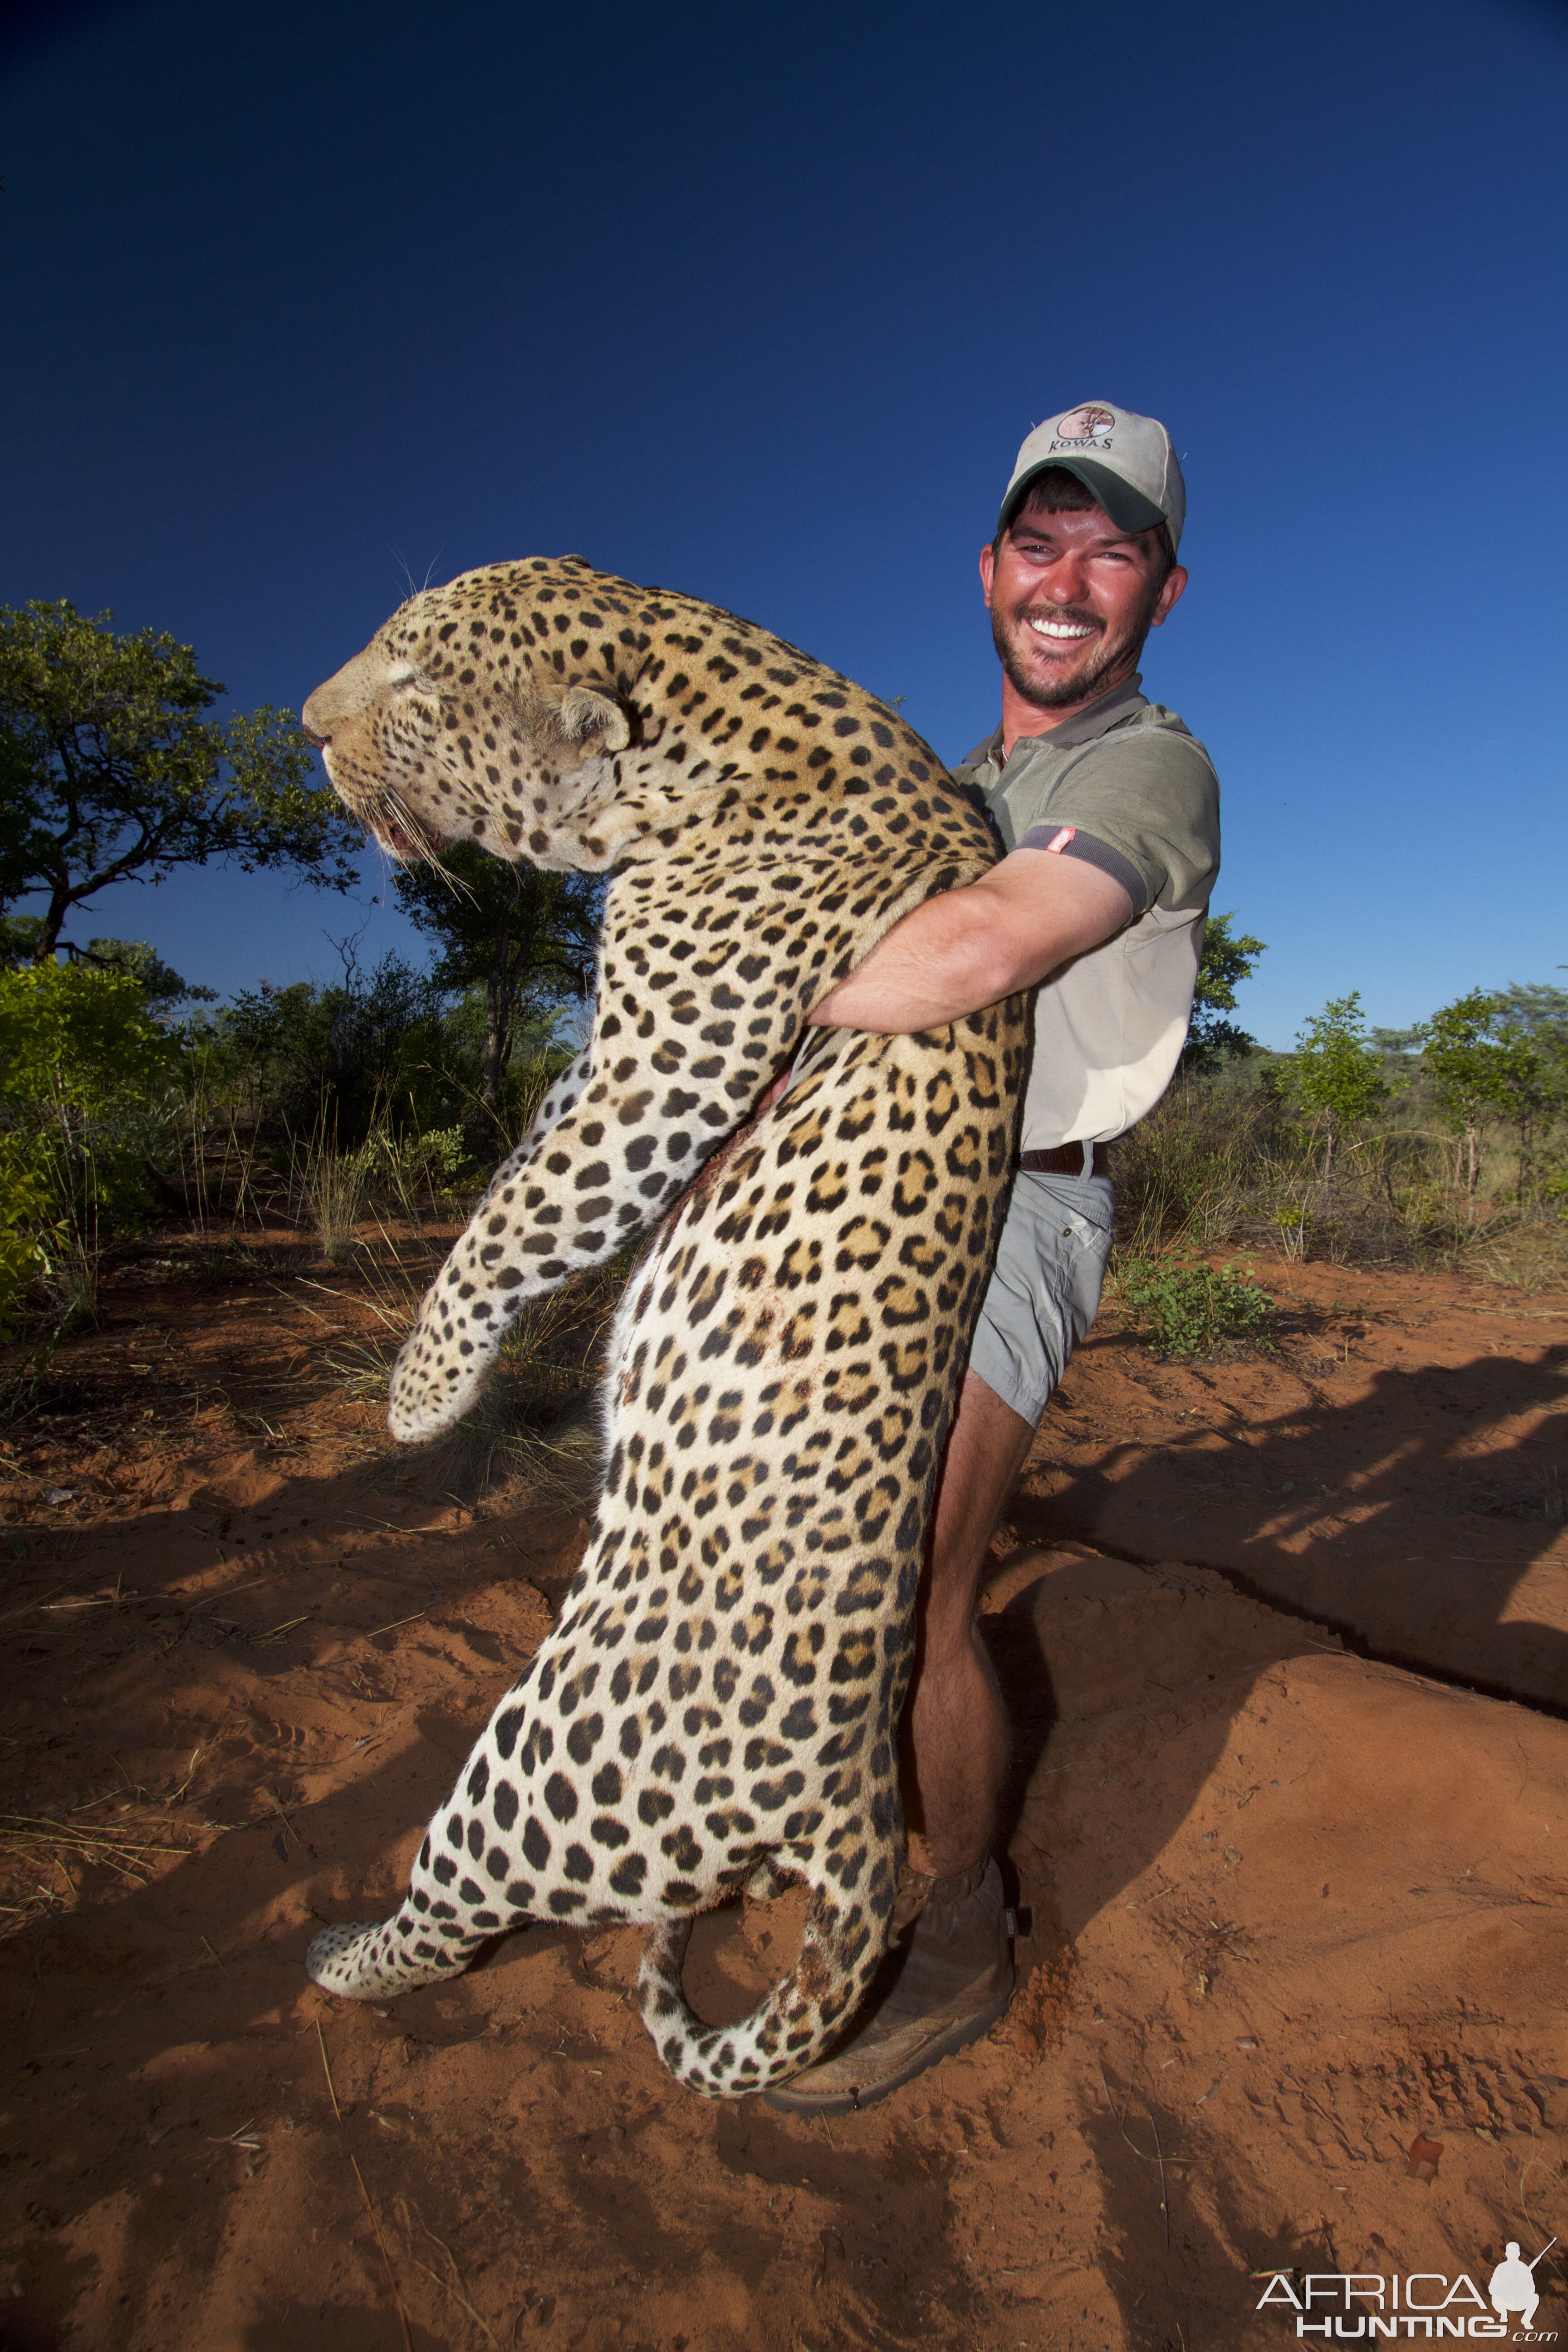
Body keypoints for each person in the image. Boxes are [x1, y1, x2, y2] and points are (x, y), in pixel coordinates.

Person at [764, 401, 1221, 2115]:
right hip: (863, 1187)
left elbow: (978, 949)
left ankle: (958, 1926)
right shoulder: (960, 783)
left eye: (1116, 552)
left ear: (1165, 594)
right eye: (1043, 542)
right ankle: (827, 1832)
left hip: (1022, 1200)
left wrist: (724, 987)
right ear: (990, 570)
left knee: (913, 1587)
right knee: (810, 1567)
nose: (1070, 581)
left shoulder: (1145, 765)